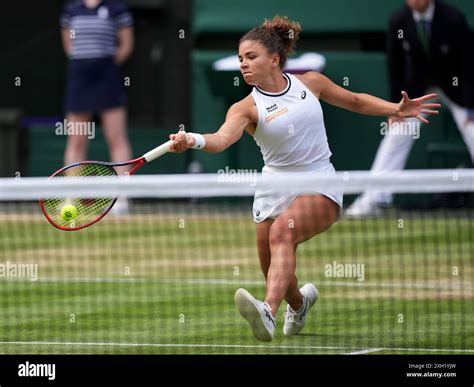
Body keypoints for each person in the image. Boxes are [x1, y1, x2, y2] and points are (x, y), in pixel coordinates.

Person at [169, 16, 440, 342]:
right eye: (241, 58)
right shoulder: (245, 108)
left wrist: (395, 109)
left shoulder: (311, 83)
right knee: (273, 268)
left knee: (283, 233)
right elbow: (221, 139)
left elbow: (354, 100)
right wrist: (193, 139)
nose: (243, 64)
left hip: (319, 181)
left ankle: (267, 311)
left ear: (274, 59)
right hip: (273, 187)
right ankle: (299, 304)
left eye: (251, 57)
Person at [346, 0, 474, 217]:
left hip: (457, 88)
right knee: (396, 134)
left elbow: (469, 63)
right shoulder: (398, 20)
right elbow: (395, 67)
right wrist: (394, 109)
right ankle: (375, 199)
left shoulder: (453, 18)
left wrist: (470, 108)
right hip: (417, 91)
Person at [60, 0, 134, 213]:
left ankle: (122, 198)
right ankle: (71, 197)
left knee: (116, 138)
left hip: (107, 78)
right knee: (76, 141)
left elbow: (126, 46)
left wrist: (105, 67)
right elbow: (69, 46)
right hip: (79, 79)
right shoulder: (71, 10)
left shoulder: (117, 9)